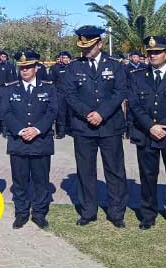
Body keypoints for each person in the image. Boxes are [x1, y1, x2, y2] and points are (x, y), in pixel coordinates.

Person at [62, 26, 128, 228]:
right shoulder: (74, 67)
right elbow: (70, 95)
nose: (86, 51)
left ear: (100, 43)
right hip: (84, 127)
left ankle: (116, 212)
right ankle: (88, 211)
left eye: (90, 46)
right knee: (85, 170)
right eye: (83, 47)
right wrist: (87, 114)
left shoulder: (115, 65)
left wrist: (102, 113)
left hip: (110, 125)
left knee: (115, 170)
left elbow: (119, 92)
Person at [127, 36, 166, 232]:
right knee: (147, 177)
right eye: (150, 52)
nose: (152, 55)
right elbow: (134, 105)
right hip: (146, 134)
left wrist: (164, 127)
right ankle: (148, 215)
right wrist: (150, 126)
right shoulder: (137, 76)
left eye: (157, 52)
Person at [4, 50, 57, 229]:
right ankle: (21, 213)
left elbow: (52, 112)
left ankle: (39, 213)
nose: (24, 71)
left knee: (41, 180)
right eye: (22, 68)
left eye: (28, 67)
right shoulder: (11, 88)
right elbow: (6, 112)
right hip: (18, 142)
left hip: (40, 141)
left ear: (36, 67)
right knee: (20, 180)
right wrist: (20, 130)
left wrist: (36, 129)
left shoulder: (48, 88)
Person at [49, 51, 73, 138]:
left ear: (70, 59)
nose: (65, 59)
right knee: (61, 113)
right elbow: (52, 81)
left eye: (67, 58)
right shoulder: (56, 68)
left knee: (71, 113)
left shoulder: (73, 68)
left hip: (71, 94)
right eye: (63, 58)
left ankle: (72, 131)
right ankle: (61, 132)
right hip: (60, 94)